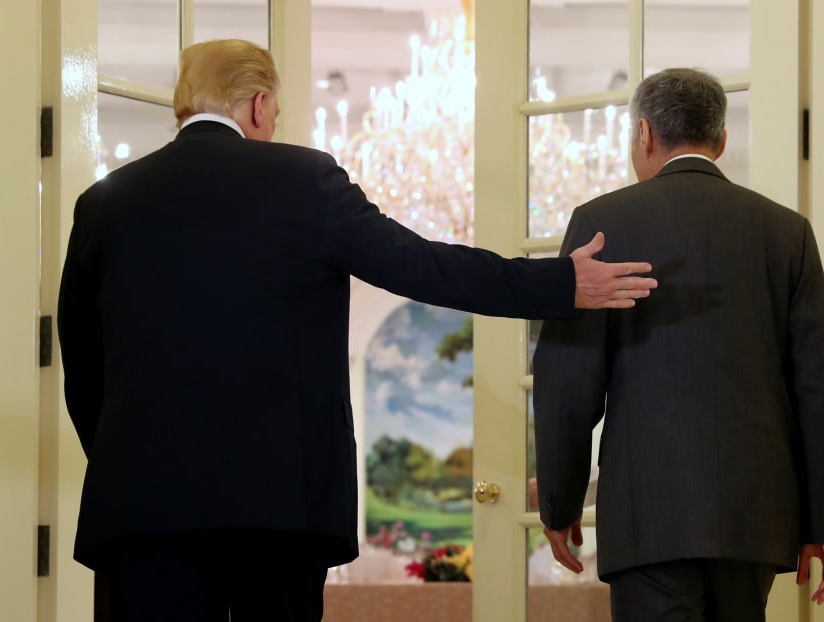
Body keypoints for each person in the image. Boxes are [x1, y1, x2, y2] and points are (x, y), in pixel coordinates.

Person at [57, 38, 656, 622]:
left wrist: (125, 459)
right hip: (282, 509)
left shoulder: (103, 203)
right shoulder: (304, 179)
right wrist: (559, 283)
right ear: (260, 104)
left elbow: (82, 362)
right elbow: (423, 267)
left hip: (141, 509)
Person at [532, 67, 824, 622]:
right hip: (753, 520)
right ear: (721, 140)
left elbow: (566, 381)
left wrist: (560, 501)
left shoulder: (601, 224)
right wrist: (818, 521)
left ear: (643, 135)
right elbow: (816, 386)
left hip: (649, 517)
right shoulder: (788, 233)